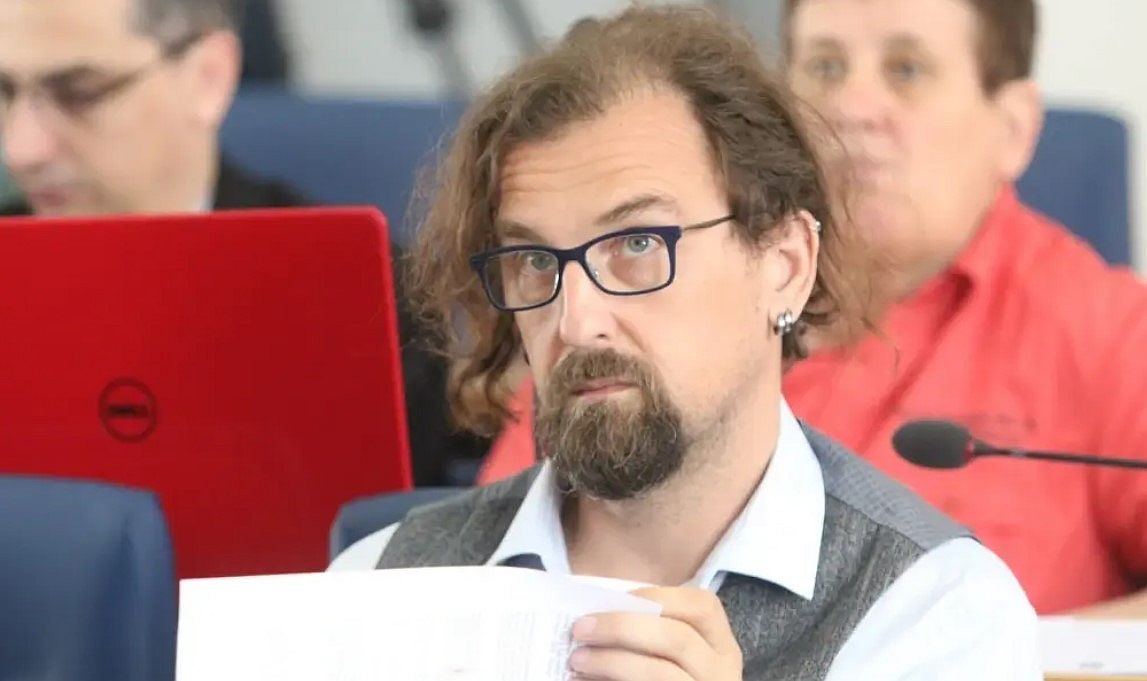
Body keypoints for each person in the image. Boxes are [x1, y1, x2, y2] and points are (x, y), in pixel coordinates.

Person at [331, 6, 1041, 677]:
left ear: (785, 265)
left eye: (638, 244)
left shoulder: (933, 614)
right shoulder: (375, 585)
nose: (576, 321)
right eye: (536, 261)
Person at [474, 0, 1147, 617]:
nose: (852, 106)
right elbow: (493, 568)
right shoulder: (621, 308)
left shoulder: (1108, 330)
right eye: (824, 67)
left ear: (1014, 128)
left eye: (905, 70)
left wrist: (986, 654)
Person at [0, 0, 488, 485]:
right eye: (3, 92)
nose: (21, 149)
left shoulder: (365, 301)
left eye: (80, 93)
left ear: (207, 76)